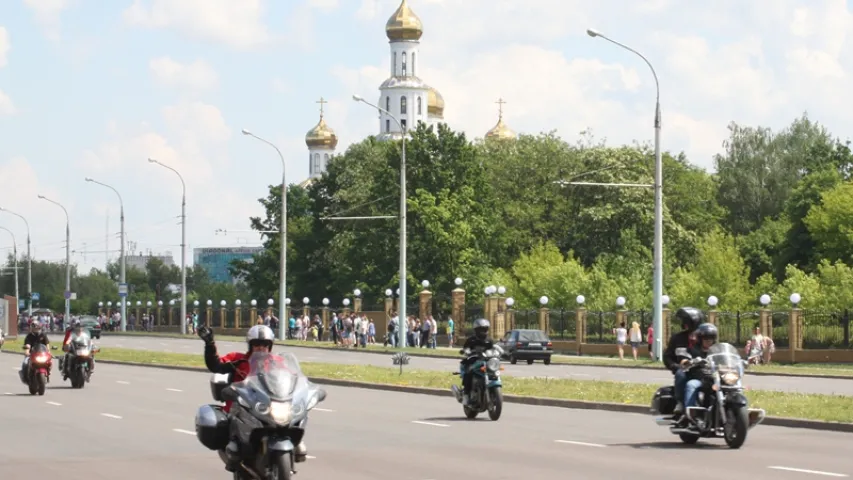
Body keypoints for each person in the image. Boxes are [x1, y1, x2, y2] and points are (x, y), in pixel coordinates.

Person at [197, 324, 307, 473]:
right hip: (243, 406)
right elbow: (216, 365)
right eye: (256, 344)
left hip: (268, 406)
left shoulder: (278, 362)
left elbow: (291, 378)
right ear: (250, 345)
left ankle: (295, 443)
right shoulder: (239, 359)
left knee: (291, 417)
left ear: (270, 346)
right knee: (231, 422)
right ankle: (234, 449)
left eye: (265, 344)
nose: (260, 348)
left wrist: (301, 390)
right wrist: (210, 344)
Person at [662, 307, 703, 417]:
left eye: (684, 320)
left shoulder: (704, 337)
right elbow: (667, 356)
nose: (683, 323)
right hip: (686, 370)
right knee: (681, 373)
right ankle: (680, 402)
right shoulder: (677, 338)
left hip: (703, 371)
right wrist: (674, 366)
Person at [681, 323, 719, 419]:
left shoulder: (718, 351)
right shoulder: (693, 350)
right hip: (700, 379)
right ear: (700, 339)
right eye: (705, 338)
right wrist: (688, 362)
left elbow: (727, 360)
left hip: (716, 379)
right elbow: (684, 360)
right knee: (691, 385)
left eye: (711, 338)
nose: (708, 341)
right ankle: (689, 415)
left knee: (734, 388)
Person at [459, 318, 494, 406]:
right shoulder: (471, 340)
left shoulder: (489, 340)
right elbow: (465, 348)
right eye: (481, 329)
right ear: (476, 330)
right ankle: (466, 395)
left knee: (494, 372)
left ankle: (493, 391)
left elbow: (493, 349)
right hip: (473, 359)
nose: (483, 331)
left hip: (486, 360)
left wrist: (500, 352)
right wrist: (466, 351)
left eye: (484, 329)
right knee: (469, 372)